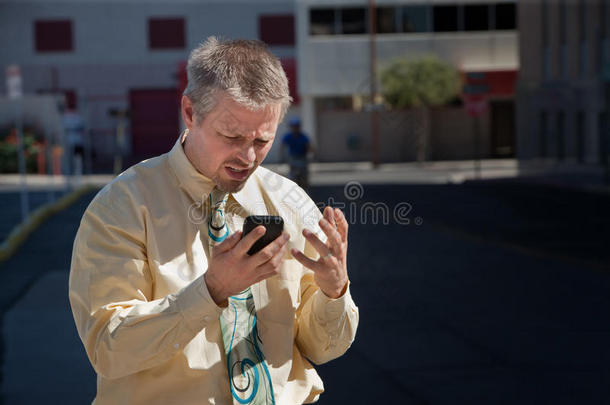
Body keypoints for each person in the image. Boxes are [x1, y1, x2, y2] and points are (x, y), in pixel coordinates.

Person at [69, 37, 358, 405]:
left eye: (262, 140)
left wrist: (334, 291)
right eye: (231, 136)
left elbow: (323, 349)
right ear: (189, 112)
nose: (248, 156)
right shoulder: (121, 208)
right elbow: (109, 348)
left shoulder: (292, 203)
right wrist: (211, 291)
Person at [281, 117, 311, 189]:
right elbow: (282, 146)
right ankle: (294, 190)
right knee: (293, 177)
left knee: (303, 177)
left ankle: (305, 190)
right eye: (293, 126)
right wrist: (282, 157)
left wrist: (310, 155)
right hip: (293, 158)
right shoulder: (288, 136)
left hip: (302, 158)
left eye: (296, 126)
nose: (295, 128)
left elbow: (309, 146)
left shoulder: (303, 136)